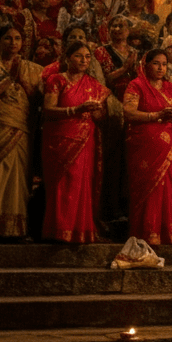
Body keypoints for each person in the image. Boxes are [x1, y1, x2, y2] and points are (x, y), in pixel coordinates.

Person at [0, 26, 42, 241]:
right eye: (8, 38)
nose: (13, 43)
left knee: (17, 178)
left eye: (17, 38)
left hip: (21, 127)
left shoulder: (33, 69)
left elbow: (39, 101)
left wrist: (21, 80)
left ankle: (15, 229)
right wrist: (7, 80)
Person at [41, 40, 107, 243]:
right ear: (68, 58)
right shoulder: (56, 80)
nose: (84, 60)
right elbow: (48, 110)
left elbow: (101, 116)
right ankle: (58, 231)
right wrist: (75, 110)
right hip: (60, 139)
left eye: (88, 57)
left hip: (85, 140)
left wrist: (96, 111)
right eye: (79, 56)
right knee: (62, 184)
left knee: (82, 184)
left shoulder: (94, 85)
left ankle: (80, 231)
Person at [123, 49, 172, 246]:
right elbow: (129, 112)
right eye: (156, 63)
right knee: (148, 190)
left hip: (168, 148)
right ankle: (146, 233)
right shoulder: (137, 85)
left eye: (164, 64)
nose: (161, 68)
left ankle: (166, 232)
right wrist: (156, 116)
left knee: (169, 190)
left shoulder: (171, 89)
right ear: (146, 64)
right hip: (144, 147)